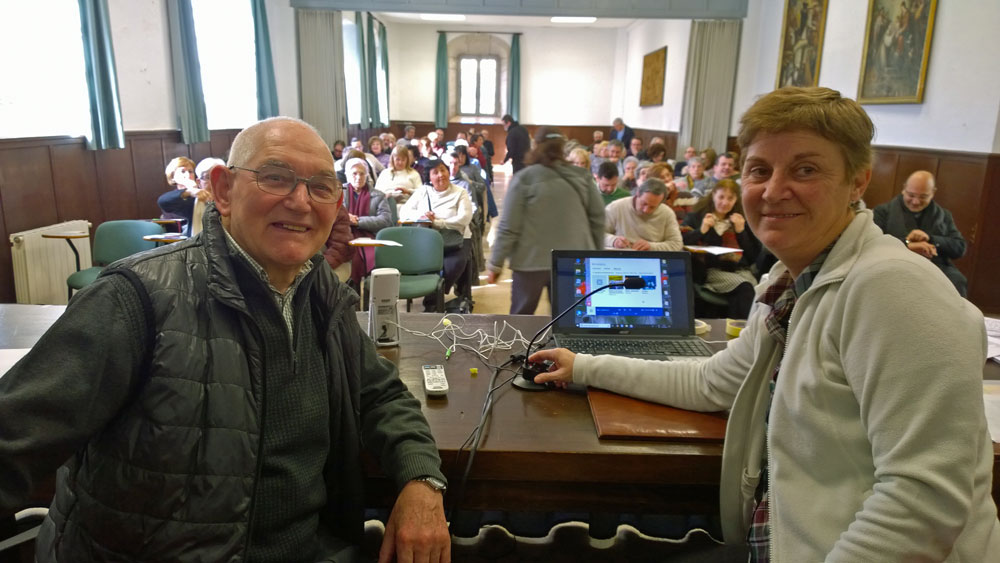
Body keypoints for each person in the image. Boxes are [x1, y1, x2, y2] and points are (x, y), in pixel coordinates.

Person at [529, 87, 1000, 562]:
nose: (773, 191)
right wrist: (584, 366)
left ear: (858, 182)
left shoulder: (894, 289)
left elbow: (924, 501)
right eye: (759, 170)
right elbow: (711, 382)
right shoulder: (790, 281)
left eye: (805, 170)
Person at [0, 117, 451, 562]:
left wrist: (422, 481)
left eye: (320, 187)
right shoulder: (136, 298)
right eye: (276, 177)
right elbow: (12, 440)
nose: (300, 201)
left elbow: (381, 394)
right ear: (223, 190)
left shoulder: (321, 293)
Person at [486, 126, 605, 314]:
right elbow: (598, 220)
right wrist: (597, 256)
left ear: (535, 146)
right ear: (562, 147)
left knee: (521, 318)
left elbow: (509, 226)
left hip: (530, 261)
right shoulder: (582, 176)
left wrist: (496, 263)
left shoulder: (524, 178)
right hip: (572, 260)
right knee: (567, 318)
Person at [873, 170, 968, 296]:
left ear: (933, 193)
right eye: (911, 195)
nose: (916, 201)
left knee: (958, 281)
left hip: (934, 267)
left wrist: (931, 239)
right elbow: (874, 244)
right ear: (904, 189)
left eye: (923, 197)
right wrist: (907, 244)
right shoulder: (882, 212)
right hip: (896, 265)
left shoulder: (944, 215)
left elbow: (960, 247)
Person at [398, 158, 473, 312]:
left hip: (456, 240)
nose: (440, 175)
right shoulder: (423, 192)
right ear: (429, 177)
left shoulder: (460, 192)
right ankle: (433, 300)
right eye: (435, 172)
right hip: (428, 240)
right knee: (427, 265)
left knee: (453, 265)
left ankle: (434, 297)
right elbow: (404, 212)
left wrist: (439, 223)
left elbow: (465, 218)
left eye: (443, 170)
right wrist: (423, 216)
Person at [682, 179, 761, 318]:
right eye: (721, 197)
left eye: (730, 199)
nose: (725, 202)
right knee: (744, 287)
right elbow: (682, 243)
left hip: (739, 269)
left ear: (736, 200)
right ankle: (742, 327)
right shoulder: (696, 217)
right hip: (710, 271)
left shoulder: (740, 219)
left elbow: (753, 256)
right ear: (713, 195)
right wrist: (701, 231)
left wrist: (741, 232)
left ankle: (741, 325)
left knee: (756, 288)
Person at [344, 157, 394, 286]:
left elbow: (385, 220)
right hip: (344, 235)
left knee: (371, 257)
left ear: (367, 175)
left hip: (371, 237)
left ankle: (367, 293)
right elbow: (331, 214)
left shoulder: (378, 195)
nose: (358, 177)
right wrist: (345, 217)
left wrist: (358, 221)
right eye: (354, 173)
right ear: (347, 175)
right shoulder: (339, 192)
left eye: (362, 173)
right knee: (348, 255)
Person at [604, 178, 682, 251]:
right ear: (637, 193)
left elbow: (676, 244)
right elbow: (598, 234)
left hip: (652, 256)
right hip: (622, 254)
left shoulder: (667, 213)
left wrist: (651, 246)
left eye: (652, 207)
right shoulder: (616, 207)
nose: (646, 210)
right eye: (644, 203)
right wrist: (613, 240)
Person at [157, 156, 201, 236]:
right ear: (173, 176)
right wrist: (190, 189)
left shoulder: (201, 192)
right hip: (182, 235)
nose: (188, 175)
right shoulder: (170, 198)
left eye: (190, 171)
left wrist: (193, 189)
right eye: (183, 171)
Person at [191, 157, 225, 236]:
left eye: (219, 176)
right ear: (198, 182)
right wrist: (191, 191)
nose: (214, 181)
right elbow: (164, 201)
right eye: (208, 177)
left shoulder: (232, 201)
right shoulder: (192, 202)